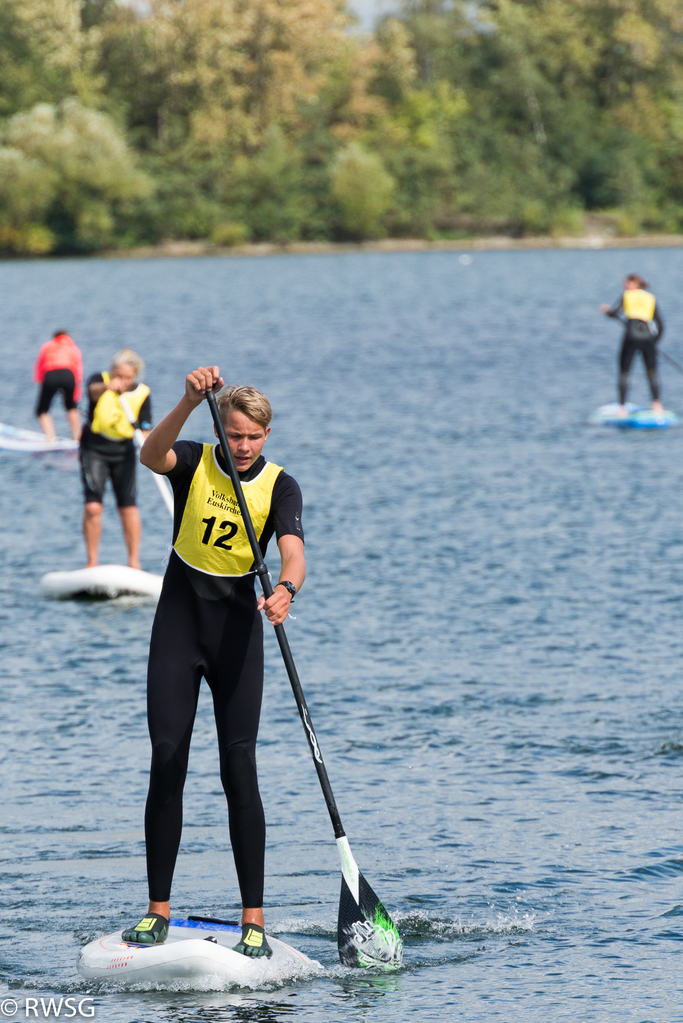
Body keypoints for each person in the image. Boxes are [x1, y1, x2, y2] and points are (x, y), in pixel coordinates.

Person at [121, 367, 305, 958]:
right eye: (235, 434)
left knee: (239, 769)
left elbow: (294, 553)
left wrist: (287, 591)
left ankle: (253, 918)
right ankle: (158, 912)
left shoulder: (280, 486)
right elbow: (151, 455)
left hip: (236, 637)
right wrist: (186, 400)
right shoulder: (198, 458)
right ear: (222, 429)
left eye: (252, 436)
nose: (243, 445)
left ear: (267, 434)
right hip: (178, 627)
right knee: (167, 758)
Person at [80, 348, 151, 569]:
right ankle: (91, 562)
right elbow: (92, 391)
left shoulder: (143, 392)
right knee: (93, 507)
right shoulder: (99, 381)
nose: (123, 381)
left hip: (124, 452)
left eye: (128, 377)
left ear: (135, 376)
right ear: (112, 372)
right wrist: (108, 387)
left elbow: (146, 426)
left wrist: (147, 441)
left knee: (128, 508)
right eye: (119, 376)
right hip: (94, 448)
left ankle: (134, 563)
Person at [600, 274, 665, 415]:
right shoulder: (650, 297)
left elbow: (613, 313)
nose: (625, 286)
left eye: (627, 284)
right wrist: (654, 342)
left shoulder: (627, 295)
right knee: (652, 372)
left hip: (631, 335)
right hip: (648, 336)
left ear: (634, 284)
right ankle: (657, 405)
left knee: (624, 372)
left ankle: (622, 408)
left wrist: (606, 310)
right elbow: (660, 325)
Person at [33, 330, 83, 441]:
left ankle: (50, 437)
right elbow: (78, 372)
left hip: (51, 374)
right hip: (69, 375)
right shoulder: (74, 348)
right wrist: (76, 393)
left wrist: (42, 382)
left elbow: (39, 366)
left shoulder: (47, 346)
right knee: (71, 407)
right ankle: (77, 438)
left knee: (42, 410)